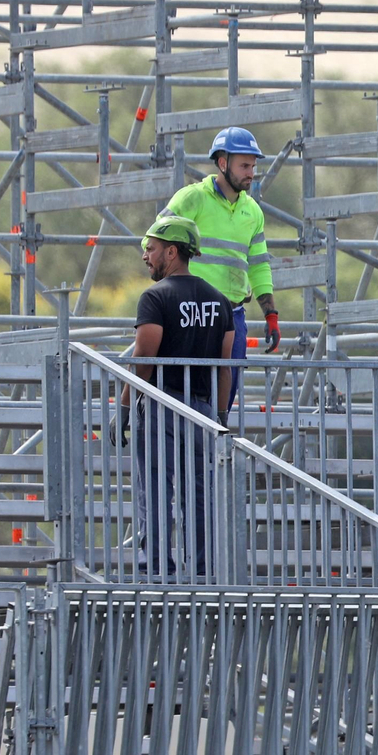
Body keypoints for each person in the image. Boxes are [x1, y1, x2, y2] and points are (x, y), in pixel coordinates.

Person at [111, 215, 235, 578]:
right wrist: (220, 416)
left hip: (161, 405)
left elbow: (144, 360)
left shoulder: (155, 297)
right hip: (202, 409)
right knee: (199, 496)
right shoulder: (220, 301)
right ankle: (203, 572)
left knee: (155, 493)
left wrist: (123, 407)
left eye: (150, 249)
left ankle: (158, 572)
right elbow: (224, 368)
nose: (146, 257)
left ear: (172, 251)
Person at [159, 126, 278, 413]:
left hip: (233, 315)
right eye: (244, 165)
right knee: (182, 396)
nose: (251, 172)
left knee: (222, 401)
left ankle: (213, 452)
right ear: (222, 163)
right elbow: (155, 241)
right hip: (191, 314)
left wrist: (271, 314)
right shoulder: (192, 198)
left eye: (253, 165)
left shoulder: (253, 212)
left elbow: (259, 266)